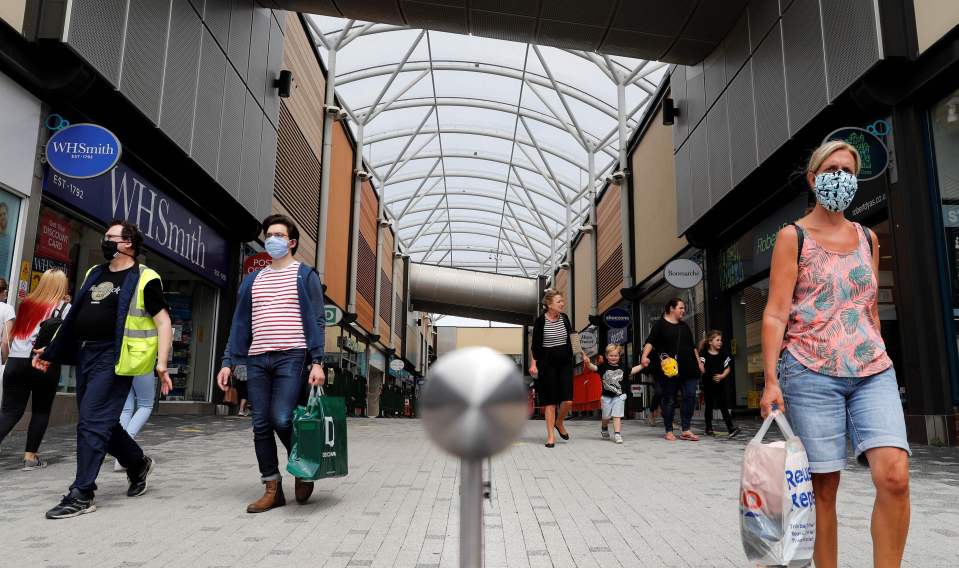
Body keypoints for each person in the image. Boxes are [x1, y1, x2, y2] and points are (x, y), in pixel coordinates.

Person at [760, 140, 910, 567]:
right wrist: (771, 380)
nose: (840, 177)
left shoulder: (867, 237)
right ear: (813, 177)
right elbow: (774, 313)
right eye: (832, 169)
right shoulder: (794, 236)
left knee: (894, 476)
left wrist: (882, 350)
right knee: (823, 487)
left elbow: (869, 308)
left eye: (848, 170)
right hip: (809, 369)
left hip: (871, 367)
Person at [34, 220, 173, 519]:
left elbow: (163, 321)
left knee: (92, 423)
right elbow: (75, 318)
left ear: (128, 244)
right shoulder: (94, 273)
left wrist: (162, 364)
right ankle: (137, 463)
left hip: (115, 357)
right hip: (86, 354)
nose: (105, 241)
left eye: (111, 237)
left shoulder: (145, 278)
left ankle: (82, 492)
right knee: (99, 422)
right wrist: (52, 350)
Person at [218, 214, 326, 513]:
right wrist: (228, 361)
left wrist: (317, 361)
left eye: (279, 235)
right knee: (260, 425)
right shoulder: (253, 279)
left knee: (281, 417)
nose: (272, 239)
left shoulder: (305, 275)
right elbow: (240, 324)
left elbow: (317, 320)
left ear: (291, 242)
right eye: (269, 235)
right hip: (257, 358)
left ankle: (304, 465)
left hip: (292, 356)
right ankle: (272, 488)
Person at [0, 269, 69, 470]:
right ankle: (30, 457)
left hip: (15, 361)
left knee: (10, 411)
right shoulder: (64, 307)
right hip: (43, 362)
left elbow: (14, 335)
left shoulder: (26, 304)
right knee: (41, 410)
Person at [641, 298, 704, 441]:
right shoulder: (660, 326)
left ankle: (686, 429)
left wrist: (699, 362)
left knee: (689, 396)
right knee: (669, 399)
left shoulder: (685, 326)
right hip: (671, 370)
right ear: (671, 308)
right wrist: (644, 357)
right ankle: (669, 430)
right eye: (680, 308)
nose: (683, 310)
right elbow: (650, 342)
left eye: (684, 308)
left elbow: (693, 346)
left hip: (690, 368)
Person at [529, 289, 574, 448]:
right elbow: (535, 346)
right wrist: (533, 364)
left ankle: (559, 422)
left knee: (568, 400)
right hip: (547, 363)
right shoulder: (541, 321)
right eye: (559, 301)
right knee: (550, 401)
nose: (562, 303)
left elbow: (572, 337)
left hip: (565, 362)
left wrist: (582, 354)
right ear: (548, 304)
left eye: (562, 301)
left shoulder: (565, 318)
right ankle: (550, 437)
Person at [582, 344, 643, 443]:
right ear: (606, 355)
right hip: (606, 397)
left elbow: (632, 370)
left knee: (617, 415)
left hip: (619, 396)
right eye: (611, 355)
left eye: (615, 355)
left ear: (619, 356)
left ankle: (617, 434)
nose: (613, 358)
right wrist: (588, 363)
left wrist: (642, 365)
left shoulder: (623, 367)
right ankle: (604, 427)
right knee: (606, 416)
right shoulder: (603, 367)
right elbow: (593, 367)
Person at [698, 330, 741, 438]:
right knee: (709, 406)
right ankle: (708, 428)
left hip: (720, 384)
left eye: (720, 340)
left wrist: (722, 376)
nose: (720, 342)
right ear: (710, 342)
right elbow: (701, 364)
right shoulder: (704, 353)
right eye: (717, 340)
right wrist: (701, 368)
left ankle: (730, 428)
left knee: (723, 406)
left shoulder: (723, 353)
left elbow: (728, 368)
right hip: (708, 384)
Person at [114, 369, 158, 472]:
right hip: (142, 362)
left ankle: (120, 456)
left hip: (123, 364)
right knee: (145, 406)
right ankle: (125, 452)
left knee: (126, 409)